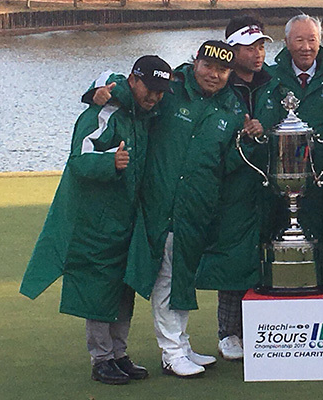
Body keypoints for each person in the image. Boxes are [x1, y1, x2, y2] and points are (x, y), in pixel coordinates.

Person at [87, 41, 250, 378]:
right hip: (159, 203)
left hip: (197, 207)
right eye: (208, 66)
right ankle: (171, 352)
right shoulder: (171, 88)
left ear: (230, 73)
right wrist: (97, 91)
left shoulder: (232, 107)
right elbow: (127, 86)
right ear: (196, 62)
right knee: (166, 279)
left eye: (222, 70)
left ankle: (182, 344)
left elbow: (227, 164)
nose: (214, 74)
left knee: (181, 278)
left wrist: (248, 140)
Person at [19, 55, 173, 385]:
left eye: (161, 91)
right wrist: (110, 162)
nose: (155, 96)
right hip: (96, 221)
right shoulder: (104, 111)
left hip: (127, 219)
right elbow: (79, 159)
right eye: (150, 88)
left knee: (124, 287)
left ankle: (119, 354)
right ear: (133, 80)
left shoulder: (143, 115)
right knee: (98, 289)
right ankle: (101, 359)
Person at [195, 15, 283, 362]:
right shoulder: (218, 85)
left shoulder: (274, 83)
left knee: (264, 257)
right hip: (230, 186)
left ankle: (260, 329)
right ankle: (228, 332)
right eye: (249, 47)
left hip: (268, 186)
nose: (257, 53)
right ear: (232, 50)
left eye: (261, 46)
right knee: (231, 258)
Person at [267, 13, 323, 240]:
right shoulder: (269, 77)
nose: (306, 47)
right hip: (279, 185)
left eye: (312, 40)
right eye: (299, 40)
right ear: (286, 42)